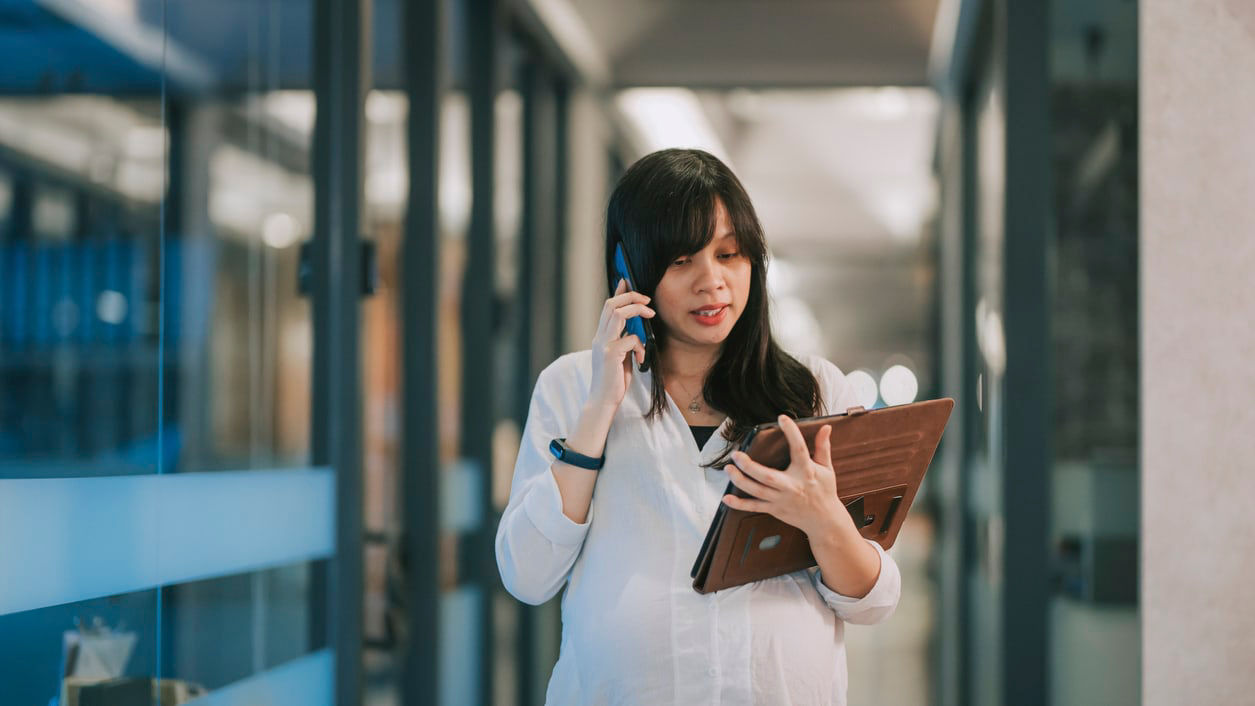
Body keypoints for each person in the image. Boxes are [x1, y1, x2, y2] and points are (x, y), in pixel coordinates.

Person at [495, 148, 901, 705]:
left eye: (729, 254)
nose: (712, 282)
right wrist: (597, 414)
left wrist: (824, 520)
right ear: (630, 269)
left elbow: (875, 600)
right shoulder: (573, 387)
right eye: (681, 259)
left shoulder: (816, 393)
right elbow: (527, 574)